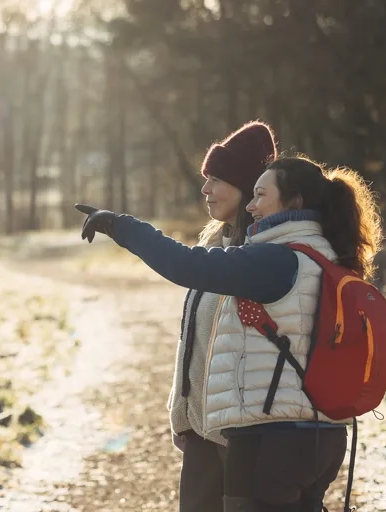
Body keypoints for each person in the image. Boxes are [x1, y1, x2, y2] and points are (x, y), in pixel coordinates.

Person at [75, 155, 383, 512]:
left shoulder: (277, 260)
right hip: (323, 436)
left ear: (294, 201)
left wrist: (121, 226)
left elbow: (189, 265)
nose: (250, 206)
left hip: (269, 442)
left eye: (260, 195)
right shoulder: (326, 258)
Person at [99, 121, 280, 512]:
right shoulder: (217, 242)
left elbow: (180, 264)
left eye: (216, 179)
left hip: (243, 437)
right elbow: (195, 340)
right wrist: (182, 414)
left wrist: (122, 227)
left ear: (247, 185)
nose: (205, 189)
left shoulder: (263, 254)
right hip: (203, 430)